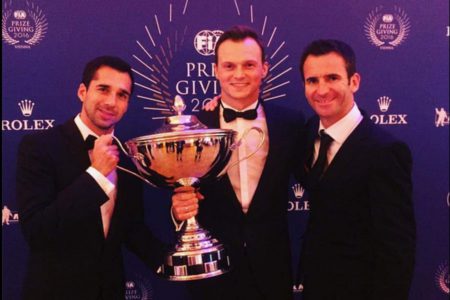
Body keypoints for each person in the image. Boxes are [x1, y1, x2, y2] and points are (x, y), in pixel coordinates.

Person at [16, 56, 166, 300]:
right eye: (103, 89)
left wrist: (178, 261)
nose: (111, 102)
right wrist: (96, 175)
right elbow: (37, 230)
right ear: (82, 91)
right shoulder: (39, 147)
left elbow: (133, 230)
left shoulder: (129, 158)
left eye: (122, 95)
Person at [171, 25, 305, 299]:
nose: (239, 74)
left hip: (272, 269)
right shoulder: (194, 126)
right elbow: (181, 195)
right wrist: (178, 210)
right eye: (229, 65)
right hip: (211, 271)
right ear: (216, 70)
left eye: (249, 64)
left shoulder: (290, 124)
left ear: (265, 68)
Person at [296, 39, 416, 299]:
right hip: (315, 285)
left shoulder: (385, 151)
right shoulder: (306, 135)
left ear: (354, 81)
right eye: (312, 80)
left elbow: (397, 249)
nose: (322, 89)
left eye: (332, 78)